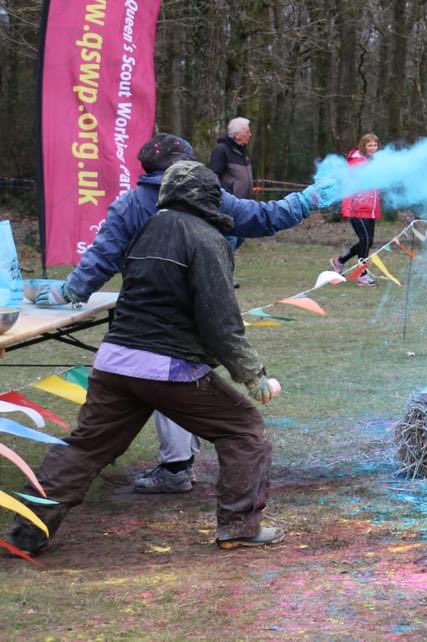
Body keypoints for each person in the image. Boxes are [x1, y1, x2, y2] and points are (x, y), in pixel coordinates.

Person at [8, 161, 285, 554]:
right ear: (208, 197)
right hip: (167, 367)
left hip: (115, 362)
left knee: (85, 448)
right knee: (243, 431)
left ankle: (25, 533)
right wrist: (254, 376)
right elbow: (220, 320)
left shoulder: (145, 231)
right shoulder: (206, 239)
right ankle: (239, 527)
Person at [34, 133, 332, 494]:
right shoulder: (208, 218)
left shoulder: (130, 205)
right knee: (238, 427)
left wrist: (71, 290)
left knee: (86, 446)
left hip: (121, 345)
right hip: (172, 343)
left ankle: (28, 526)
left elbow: (100, 258)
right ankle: (228, 513)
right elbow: (262, 222)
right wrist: (306, 201)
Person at [329, 133, 382, 287]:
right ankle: (362, 274)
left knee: (368, 241)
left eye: (375, 145)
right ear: (363, 146)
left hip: (370, 208)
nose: (373, 148)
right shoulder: (357, 161)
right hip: (356, 207)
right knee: (365, 240)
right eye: (369, 145)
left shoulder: (376, 162)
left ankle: (340, 261)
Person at [210, 116, 255, 252]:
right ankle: (222, 270)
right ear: (237, 135)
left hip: (243, 207)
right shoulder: (221, 150)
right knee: (230, 240)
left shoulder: (242, 152)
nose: (250, 135)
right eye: (247, 132)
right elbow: (213, 176)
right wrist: (225, 195)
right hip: (227, 207)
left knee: (240, 238)